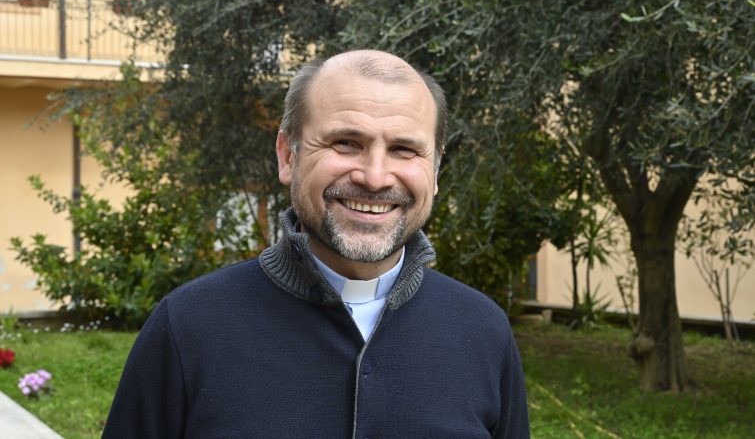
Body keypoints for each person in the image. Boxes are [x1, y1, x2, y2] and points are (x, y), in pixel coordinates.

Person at [102, 49, 530, 438]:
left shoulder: (484, 332)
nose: (375, 177)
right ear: (288, 155)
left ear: (435, 172)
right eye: (346, 143)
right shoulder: (187, 327)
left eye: (403, 149)